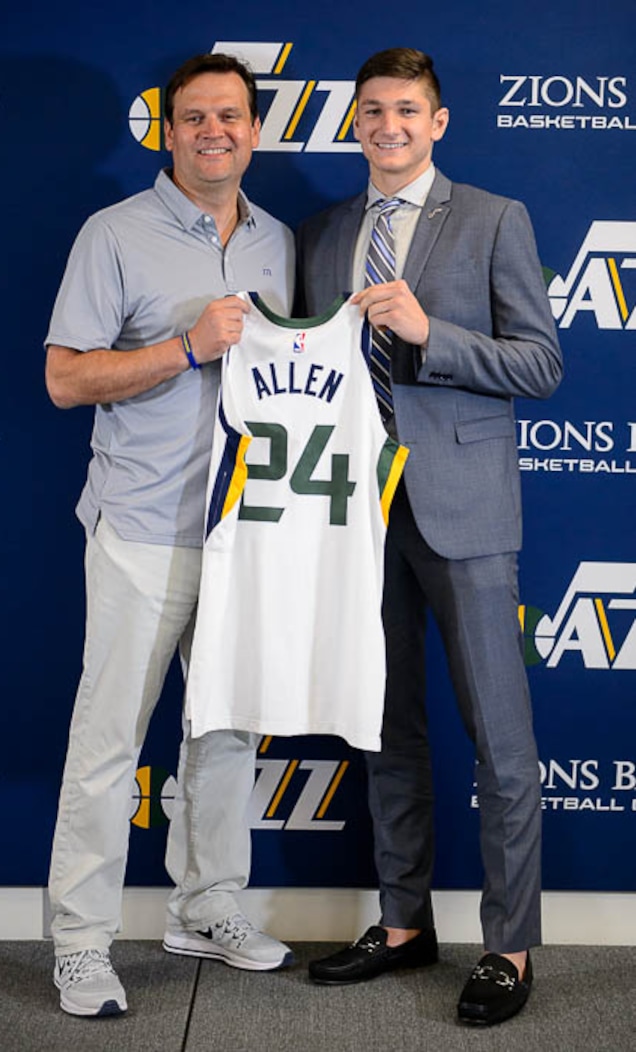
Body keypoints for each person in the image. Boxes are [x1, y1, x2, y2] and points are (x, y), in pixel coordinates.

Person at [297, 47, 562, 1027]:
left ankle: (509, 945)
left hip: (463, 514)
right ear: (354, 123)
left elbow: (539, 363)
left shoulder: (493, 219)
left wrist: (425, 332)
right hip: (354, 517)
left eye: (407, 110)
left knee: (501, 740)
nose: (389, 126)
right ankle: (404, 920)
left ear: (437, 122)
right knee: (386, 731)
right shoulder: (325, 233)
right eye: (372, 111)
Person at [45, 52, 295, 1018]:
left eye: (230, 116)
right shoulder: (115, 235)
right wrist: (186, 347)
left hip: (246, 535)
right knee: (108, 745)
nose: (214, 133)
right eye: (194, 118)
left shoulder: (280, 240)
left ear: (254, 129)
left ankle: (207, 905)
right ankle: (79, 943)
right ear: (167, 129)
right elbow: (67, 380)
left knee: (225, 738)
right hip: (144, 528)